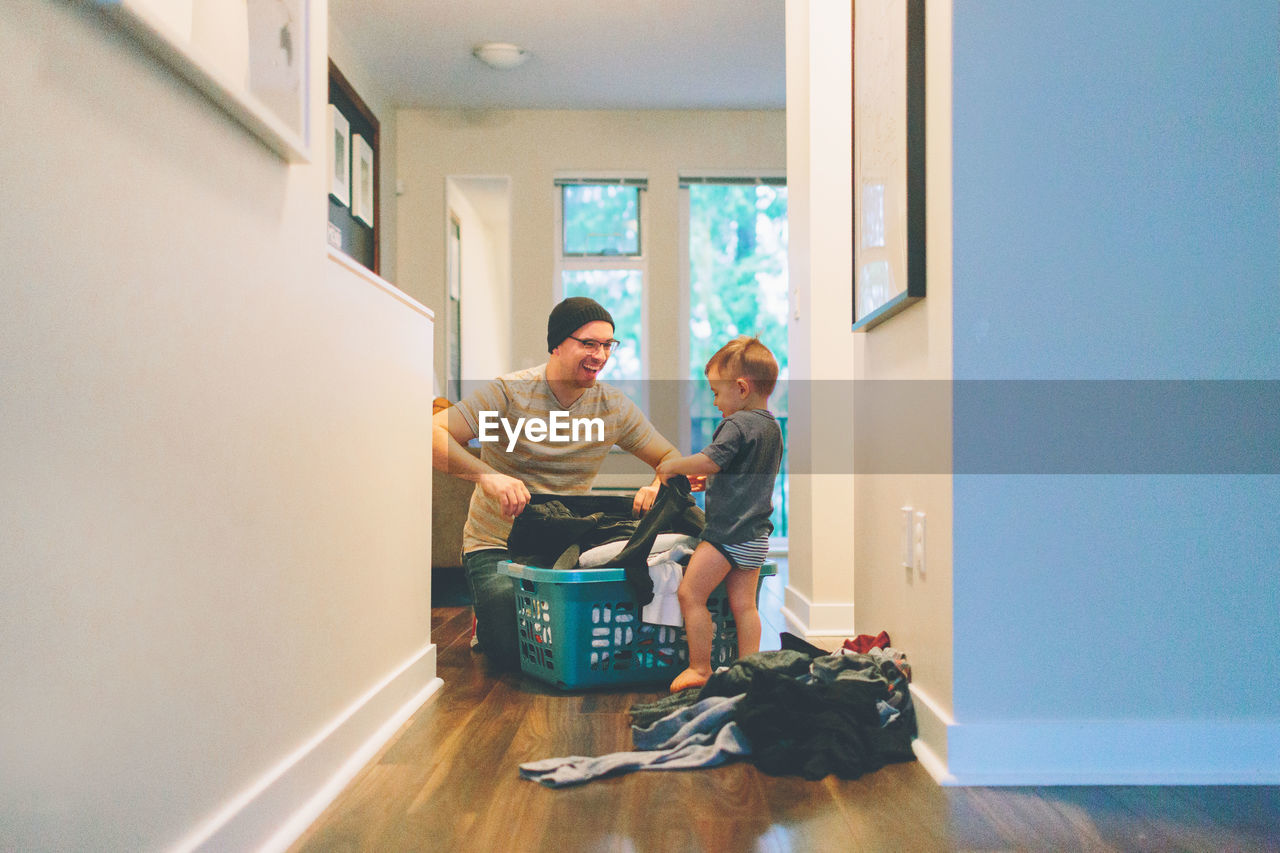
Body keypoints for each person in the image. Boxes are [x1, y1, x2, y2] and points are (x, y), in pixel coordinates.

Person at [432, 296, 681, 669]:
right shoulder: (508, 397)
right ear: (557, 345)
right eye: (588, 343)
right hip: (496, 544)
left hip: (563, 544)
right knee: (512, 653)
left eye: (607, 345)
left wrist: (657, 483)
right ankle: (488, 614)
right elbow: (432, 434)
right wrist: (488, 476)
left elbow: (670, 458)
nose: (600, 355)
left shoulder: (611, 409)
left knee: (575, 646)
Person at [655, 336, 783, 693]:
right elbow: (738, 472)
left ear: (741, 388)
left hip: (727, 535)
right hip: (756, 535)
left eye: (715, 392)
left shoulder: (736, 424)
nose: (715, 401)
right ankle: (748, 670)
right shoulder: (771, 426)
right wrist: (710, 480)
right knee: (744, 606)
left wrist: (673, 466)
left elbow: (711, 459)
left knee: (690, 595)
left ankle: (700, 668)